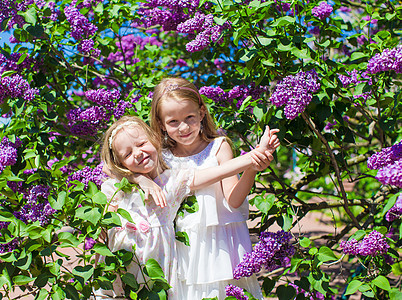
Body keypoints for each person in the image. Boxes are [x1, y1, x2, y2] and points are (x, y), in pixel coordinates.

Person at [98, 115, 276, 299]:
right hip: (120, 274)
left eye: (142, 143)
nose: (137, 153)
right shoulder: (115, 187)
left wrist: (257, 154)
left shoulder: (173, 182)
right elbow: (103, 227)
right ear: (120, 162)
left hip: (158, 278)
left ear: (154, 139)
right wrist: (138, 178)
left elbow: (217, 172)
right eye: (127, 154)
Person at [148, 77, 280, 299]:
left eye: (189, 117)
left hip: (222, 247)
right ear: (161, 124)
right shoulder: (162, 158)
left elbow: (233, 201)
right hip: (184, 251)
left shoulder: (219, 147)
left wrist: (252, 168)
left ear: (201, 113)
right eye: (173, 122)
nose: (183, 127)